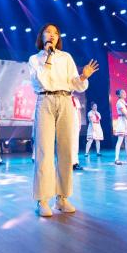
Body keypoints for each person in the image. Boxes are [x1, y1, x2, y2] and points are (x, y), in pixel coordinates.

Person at [28, 23, 99, 217]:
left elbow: (75, 84)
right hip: (45, 101)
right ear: (42, 36)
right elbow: (40, 81)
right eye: (48, 32)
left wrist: (83, 77)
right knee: (44, 151)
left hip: (66, 100)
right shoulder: (34, 59)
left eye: (55, 33)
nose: (52, 35)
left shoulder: (66, 57)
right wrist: (49, 58)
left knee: (66, 151)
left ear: (59, 38)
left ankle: (62, 198)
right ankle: (43, 200)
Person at [113, 89, 127, 165]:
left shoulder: (124, 102)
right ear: (118, 95)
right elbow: (124, 113)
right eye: (122, 92)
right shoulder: (119, 102)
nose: (124, 93)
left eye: (124, 92)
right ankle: (116, 159)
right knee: (120, 141)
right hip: (122, 121)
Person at [71, 94, 84, 170]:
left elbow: (78, 111)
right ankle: (69, 163)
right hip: (66, 122)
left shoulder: (75, 99)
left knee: (75, 143)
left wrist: (79, 123)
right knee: (68, 143)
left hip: (75, 122)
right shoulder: (64, 98)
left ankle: (75, 162)